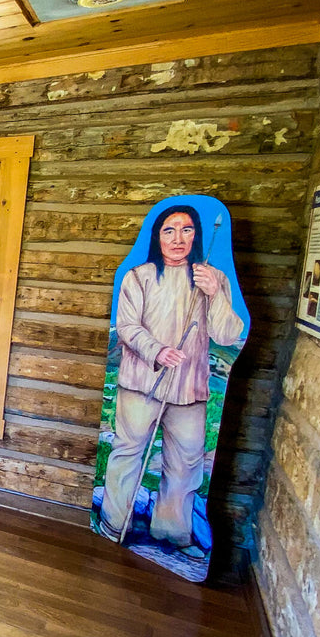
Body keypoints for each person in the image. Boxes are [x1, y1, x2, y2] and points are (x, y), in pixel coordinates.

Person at [98, 205, 245, 548]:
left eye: (186, 230)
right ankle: (114, 522)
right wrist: (157, 351)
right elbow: (127, 327)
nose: (178, 238)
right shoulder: (139, 277)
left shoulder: (213, 278)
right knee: (128, 452)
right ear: (157, 236)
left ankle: (171, 532)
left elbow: (227, 335)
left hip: (189, 388)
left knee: (186, 462)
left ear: (196, 236)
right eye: (169, 230)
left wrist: (215, 294)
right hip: (142, 383)